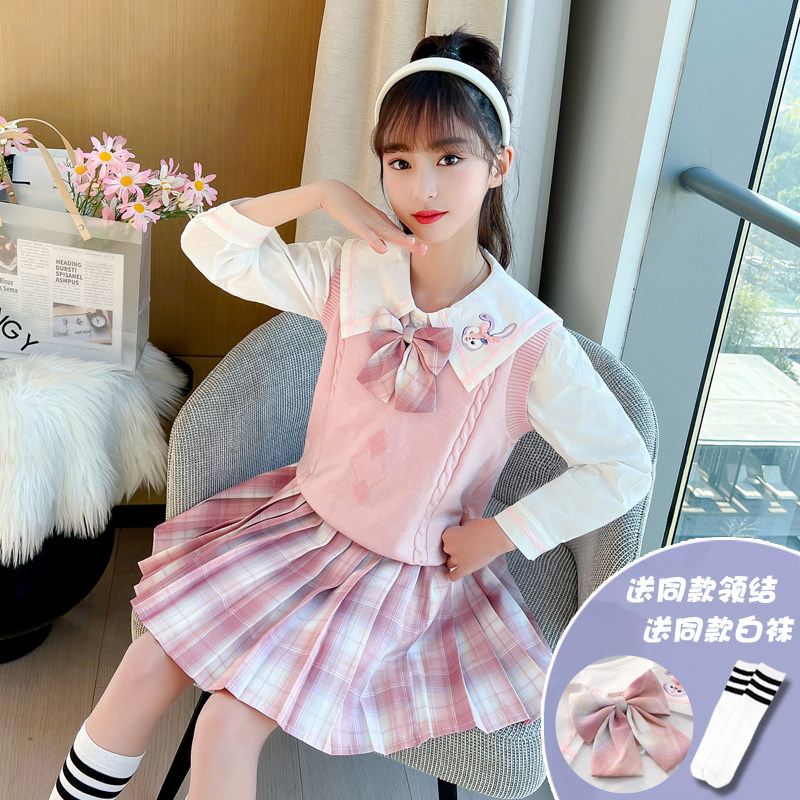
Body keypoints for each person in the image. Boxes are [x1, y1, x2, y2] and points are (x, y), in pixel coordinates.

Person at [48, 29, 652, 800]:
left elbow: (623, 466)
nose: (422, 187)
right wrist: (321, 195)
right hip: (297, 527)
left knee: (225, 723)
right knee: (145, 660)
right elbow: (211, 246)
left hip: (402, 572)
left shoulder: (527, 339)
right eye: (400, 162)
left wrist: (504, 532)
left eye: (450, 159)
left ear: (498, 165)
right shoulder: (350, 272)